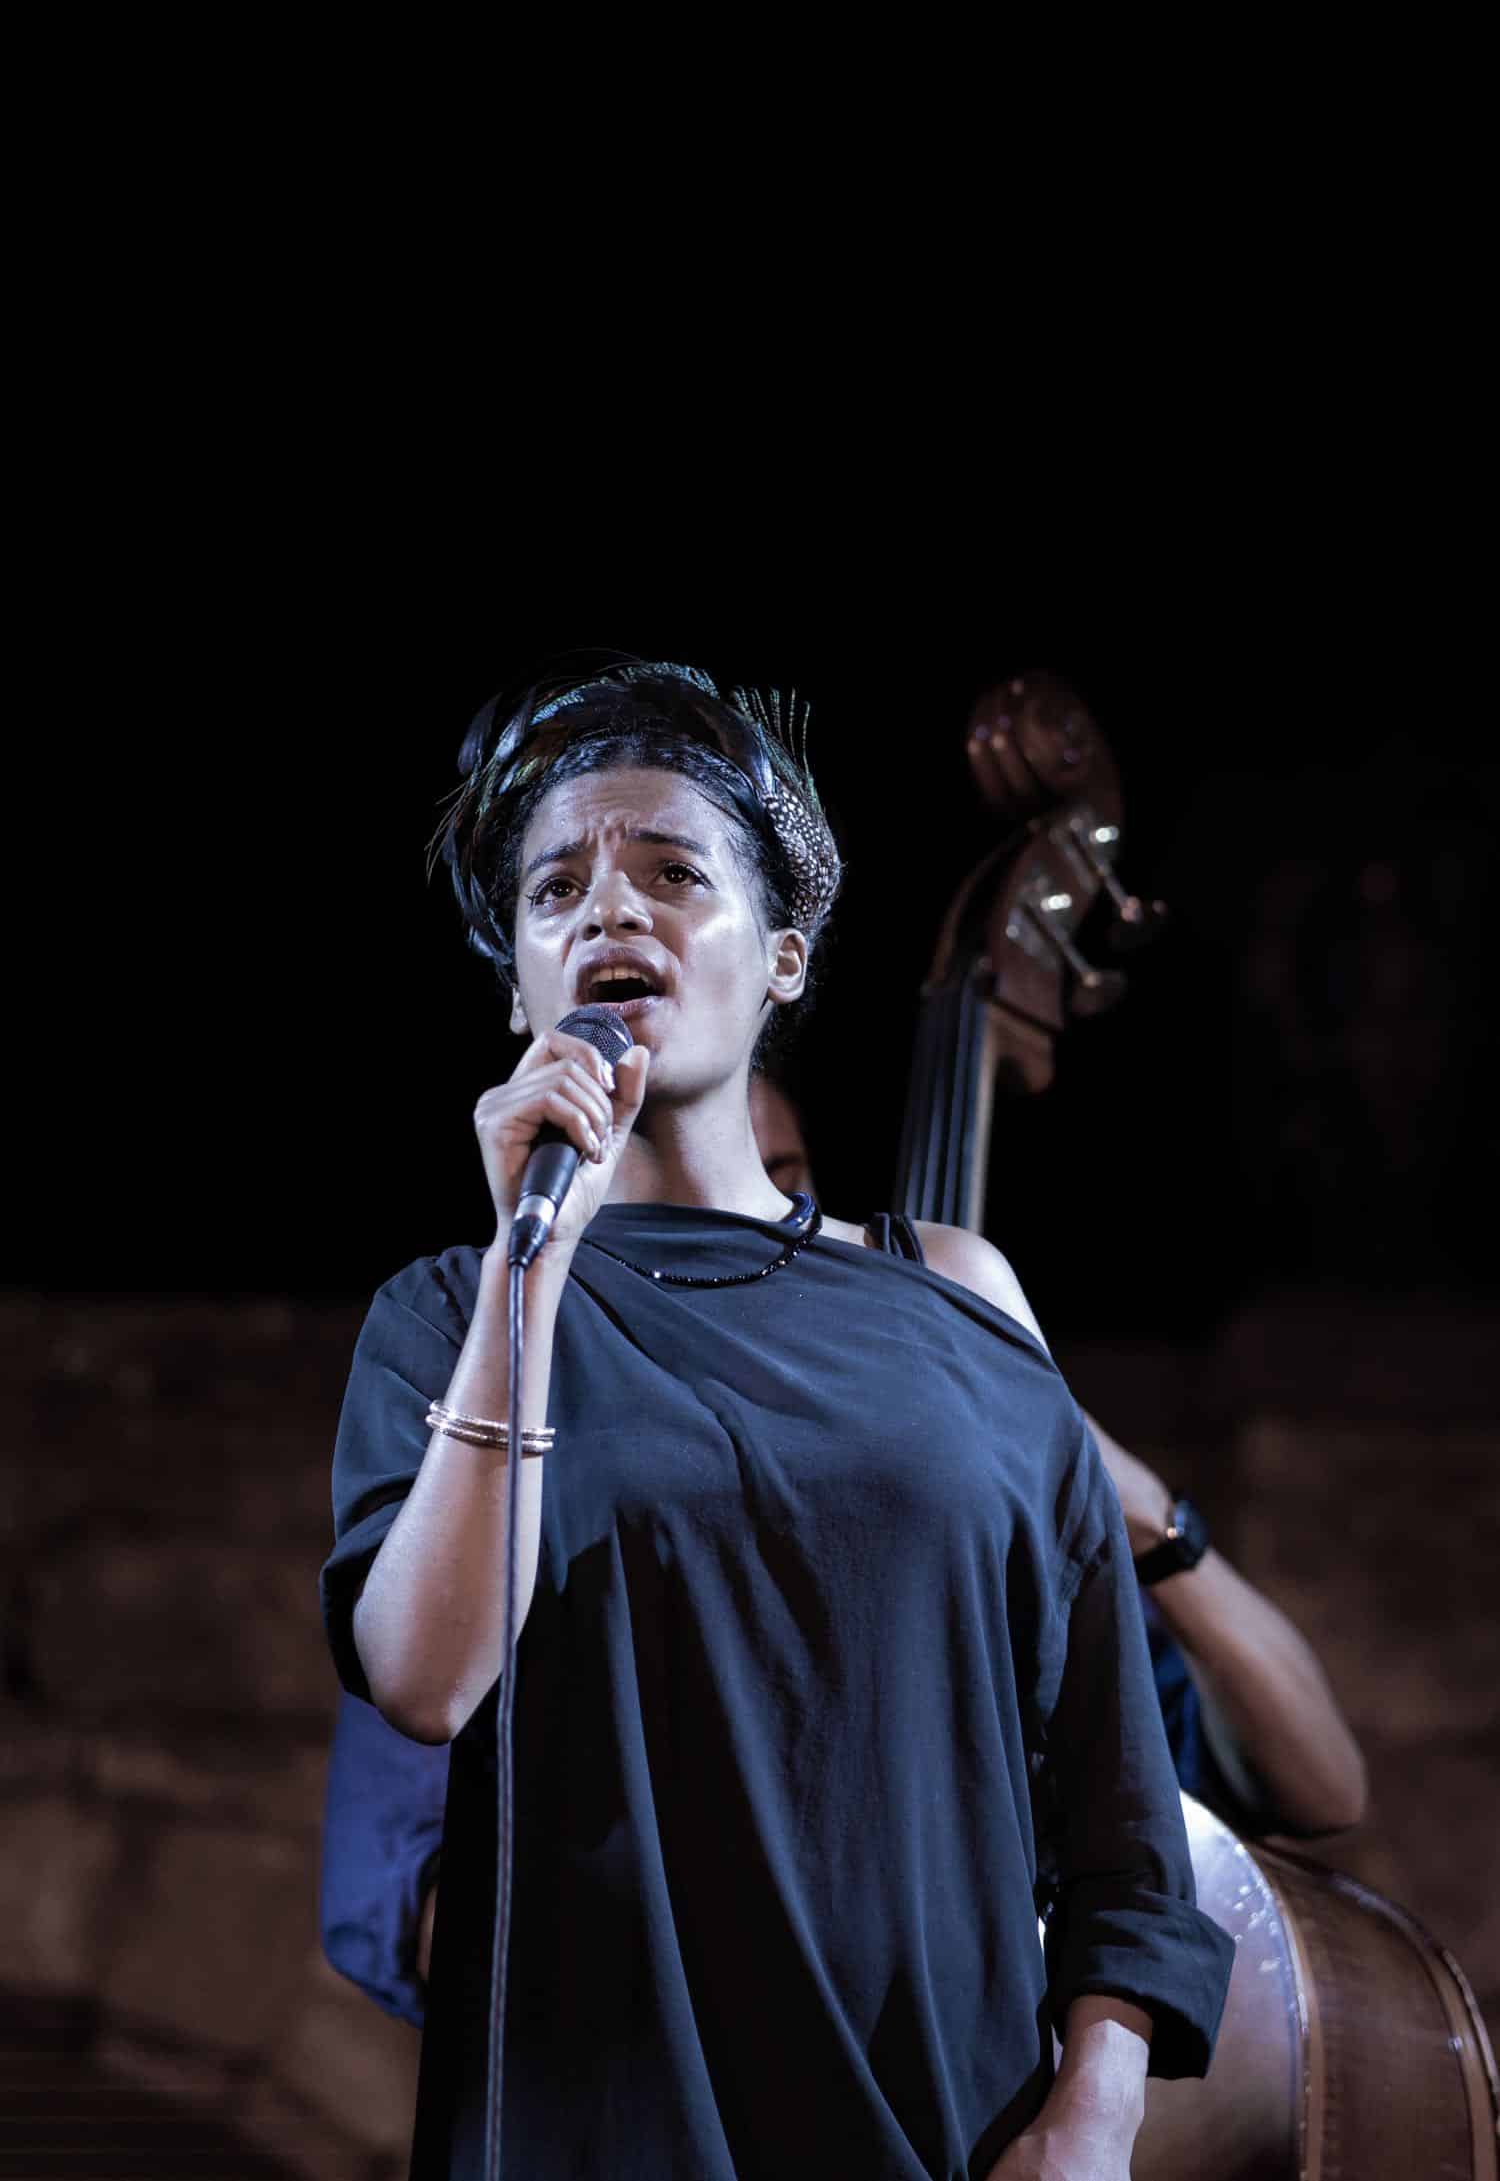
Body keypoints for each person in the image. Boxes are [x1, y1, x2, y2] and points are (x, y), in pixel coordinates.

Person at [319, 661, 1235, 2180]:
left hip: (954, 2130)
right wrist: (529, 1269)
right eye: (557, 889)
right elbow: (423, 1678)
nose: (610, 909)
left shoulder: (958, 1292)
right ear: (522, 989)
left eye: (673, 871)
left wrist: (1098, 2114)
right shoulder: (454, 1311)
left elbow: (1119, 1805)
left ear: (787, 959)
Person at [319, 1076, 1365, 2032]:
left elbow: (1317, 1788)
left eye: (776, 1175)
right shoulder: (487, 1490)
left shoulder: (949, 1484)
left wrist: (1124, 1497)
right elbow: (416, 1908)